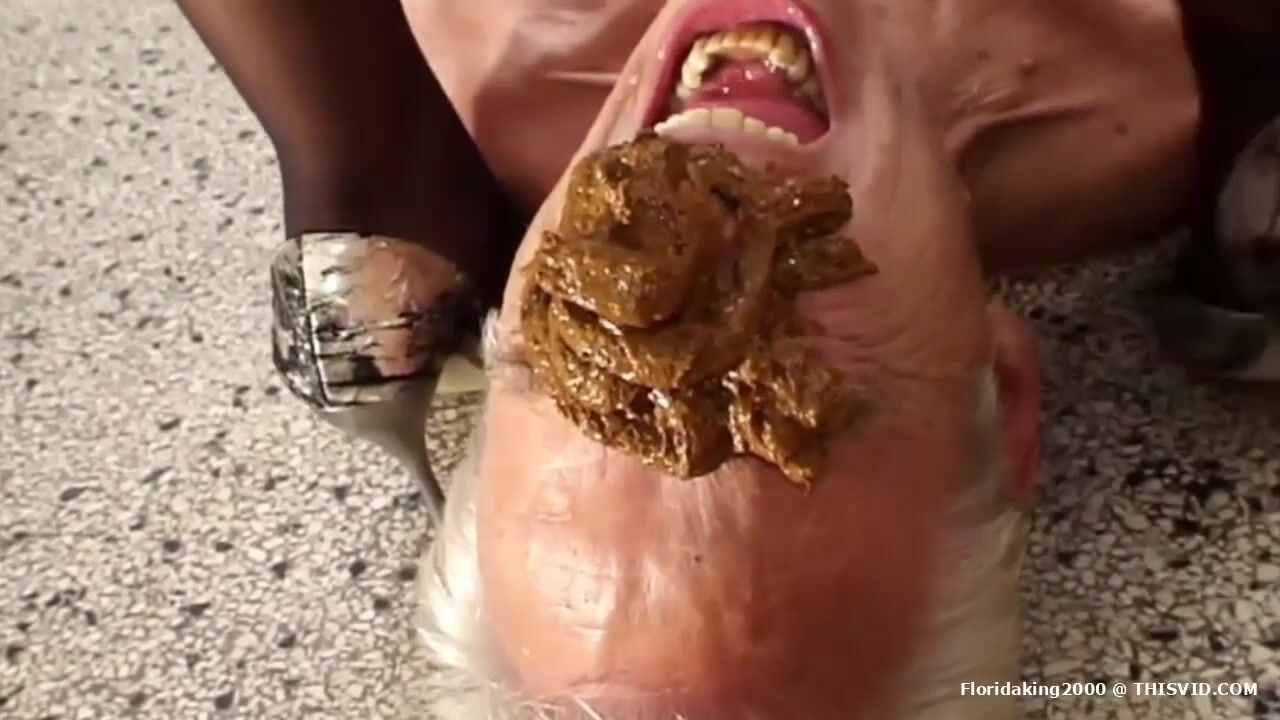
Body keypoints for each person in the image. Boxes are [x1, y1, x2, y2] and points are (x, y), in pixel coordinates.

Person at [174, 1, 1279, 717]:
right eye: (799, 372)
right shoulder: (1179, 85)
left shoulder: (473, 62)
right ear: (1002, 390)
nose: (699, 177)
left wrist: (360, 137)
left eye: (563, 360)